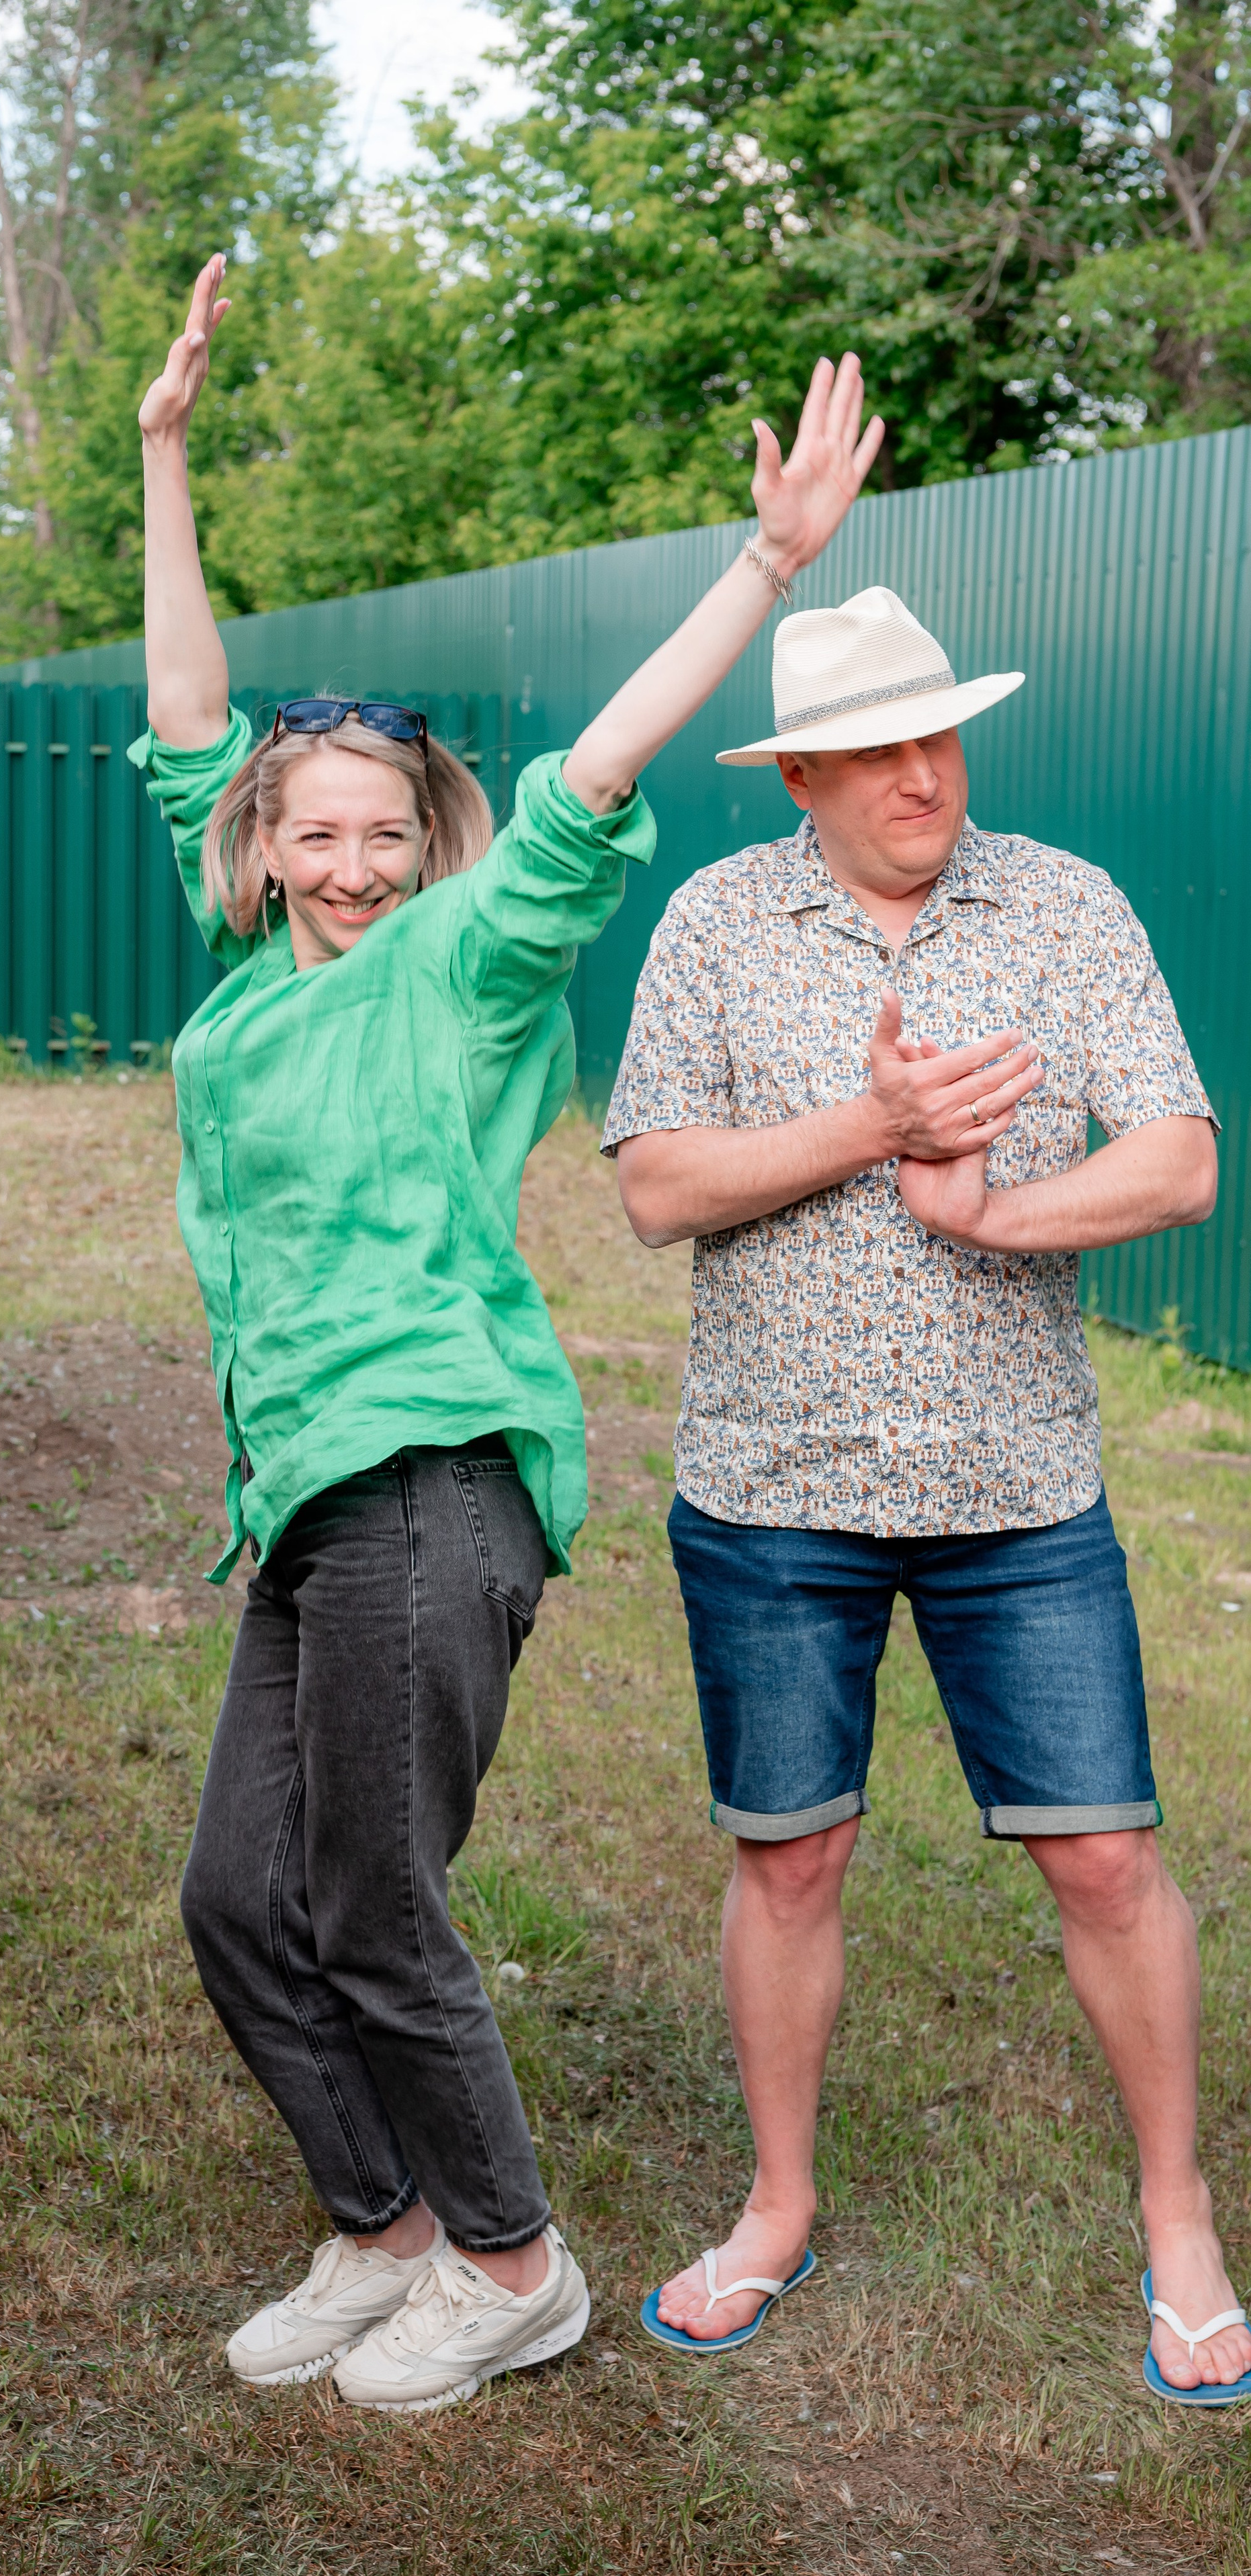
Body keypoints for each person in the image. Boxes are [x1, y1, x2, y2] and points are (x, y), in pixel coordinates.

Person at [131, 253, 884, 2412]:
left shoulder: (468, 961)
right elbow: (194, 720)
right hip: (308, 1491)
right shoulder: (257, 977)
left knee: (372, 1900)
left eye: (387, 833)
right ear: (263, 858)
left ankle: (513, 2257)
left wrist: (760, 568)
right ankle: (382, 2228)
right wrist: (169, 457)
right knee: (236, 1903)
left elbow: (597, 774)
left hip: (439, 1468)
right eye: (314, 835)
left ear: (424, 848)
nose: (352, 863)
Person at [605, 582, 1251, 2406]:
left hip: (1016, 1485)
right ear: (799, 770)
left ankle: (1182, 2217)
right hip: (773, 1484)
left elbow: (1182, 1158)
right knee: (789, 1852)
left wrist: (994, 1213)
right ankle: (778, 2202)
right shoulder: (719, 924)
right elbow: (656, 1184)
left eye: (940, 730)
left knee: (1108, 1854)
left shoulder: (1065, 904)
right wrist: (873, 1131)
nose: (923, 769)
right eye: (879, 745)